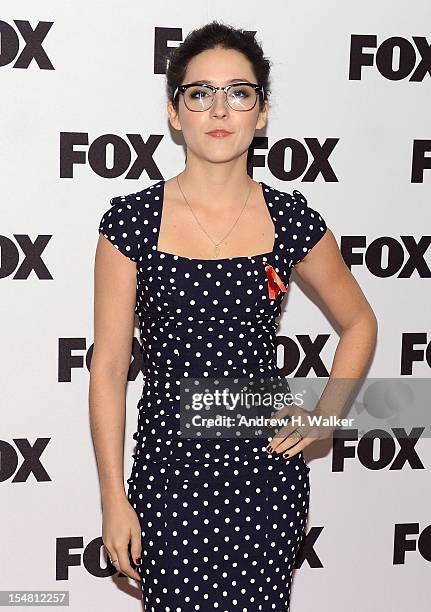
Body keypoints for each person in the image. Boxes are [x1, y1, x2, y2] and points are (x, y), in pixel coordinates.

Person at [89, 20, 377, 611]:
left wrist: (328, 414)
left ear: (261, 111)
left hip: (265, 474)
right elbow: (111, 365)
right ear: (175, 112)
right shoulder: (130, 224)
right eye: (200, 93)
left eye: (239, 92)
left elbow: (360, 322)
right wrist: (113, 500)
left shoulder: (291, 220)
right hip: (169, 476)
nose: (219, 109)